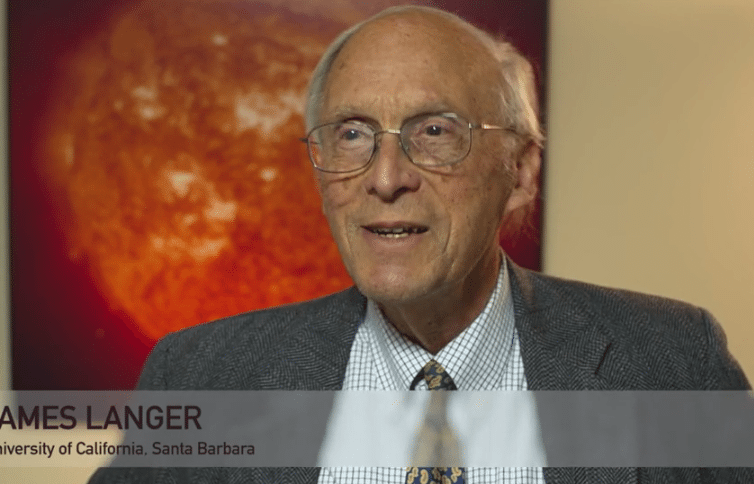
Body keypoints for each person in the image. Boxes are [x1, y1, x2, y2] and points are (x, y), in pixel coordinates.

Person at [90, 5, 750, 484]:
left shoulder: (671, 359)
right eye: (350, 134)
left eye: (434, 132)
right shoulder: (202, 376)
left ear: (518, 171)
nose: (385, 178)